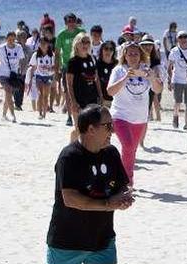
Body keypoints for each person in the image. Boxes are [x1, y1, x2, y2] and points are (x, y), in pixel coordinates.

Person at [31, 104, 133, 264]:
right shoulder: (69, 157)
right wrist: (107, 204)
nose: (112, 131)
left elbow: (121, 186)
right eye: (108, 126)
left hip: (101, 237)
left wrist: (123, 198)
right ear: (90, 129)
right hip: (67, 237)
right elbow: (71, 199)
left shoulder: (111, 154)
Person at [107, 42, 162, 185]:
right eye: (129, 53)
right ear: (124, 55)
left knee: (132, 150)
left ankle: (122, 176)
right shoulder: (119, 70)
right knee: (128, 146)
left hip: (140, 118)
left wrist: (152, 78)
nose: (132, 56)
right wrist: (125, 77)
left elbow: (158, 89)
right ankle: (127, 182)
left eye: (136, 54)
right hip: (120, 115)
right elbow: (110, 91)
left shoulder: (146, 69)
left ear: (141, 55)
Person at [67, 33, 103, 142]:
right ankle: (71, 148)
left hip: (92, 98)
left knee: (93, 127)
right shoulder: (73, 62)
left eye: (88, 42)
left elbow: (96, 78)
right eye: (83, 41)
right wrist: (73, 101)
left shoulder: (92, 59)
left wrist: (100, 95)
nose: (85, 44)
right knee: (79, 129)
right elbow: (69, 83)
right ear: (77, 44)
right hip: (79, 99)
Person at [55, 13, 85, 125]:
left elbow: (87, 47)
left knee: (80, 91)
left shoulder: (81, 32)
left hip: (80, 65)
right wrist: (56, 71)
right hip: (67, 67)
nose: (71, 23)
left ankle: (81, 114)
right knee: (68, 92)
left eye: (73, 20)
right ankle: (69, 116)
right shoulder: (61, 35)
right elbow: (57, 54)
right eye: (69, 21)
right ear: (65, 22)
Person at [0, 31, 25, 122]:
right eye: (10, 39)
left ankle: (3, 115)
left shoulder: (18, 48)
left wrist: (20, 70)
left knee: (8, 95)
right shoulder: (2, 48)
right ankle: (13, 115)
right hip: (3, 74)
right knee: (8, 92)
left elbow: (21, 59)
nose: (11, 41)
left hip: (13, 75)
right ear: (6, 39)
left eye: (13, 39)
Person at [167, 31, 187, 130]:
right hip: (177, 80)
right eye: (180, 37)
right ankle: (175, 117)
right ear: (177, 39)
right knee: (177, 102)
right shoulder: (174, 51)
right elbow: (169, 67)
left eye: (185, 37)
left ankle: (186, 123)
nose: (183, 39)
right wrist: (169, 81)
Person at [27, 38, 56, 120]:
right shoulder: (35, 55)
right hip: (39, 76)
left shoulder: (52, 55)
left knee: (46, 95)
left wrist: (51, 70)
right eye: (41, 43)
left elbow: (55, 68)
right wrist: (29, 79)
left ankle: (44, 113)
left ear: (48, 45)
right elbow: (32, 67)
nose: (43, 45)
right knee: (40, 94)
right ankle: (39, 113)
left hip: (49, 76)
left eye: (45, 43)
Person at [95, 41, 117, 109]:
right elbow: (96, 80)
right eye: (106, 48)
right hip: (101, 99)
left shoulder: (117, 64)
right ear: (102, 50)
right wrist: (101, 97)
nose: (108, 51)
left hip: (115, 99)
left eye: (111, 49)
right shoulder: (97, 64)